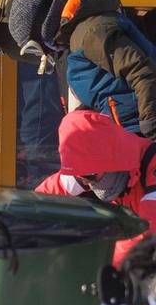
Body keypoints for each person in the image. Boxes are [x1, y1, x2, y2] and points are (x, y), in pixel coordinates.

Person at [9, 0, 156, 136]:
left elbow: (142, 71)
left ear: (44, 29)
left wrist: (149, 126)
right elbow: (108, 90)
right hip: (132, 133)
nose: (41, 55)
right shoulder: (77, 41)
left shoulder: (90, 35)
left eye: (33, 48)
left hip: (141, 131)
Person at [39, 109, 156, 267]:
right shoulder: (86, 172)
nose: (85, 183)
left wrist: (97, 261)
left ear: (111, 163)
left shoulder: (151, 166)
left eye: (88, 177)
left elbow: (150, 233)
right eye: (79, 176)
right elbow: (42, 198)